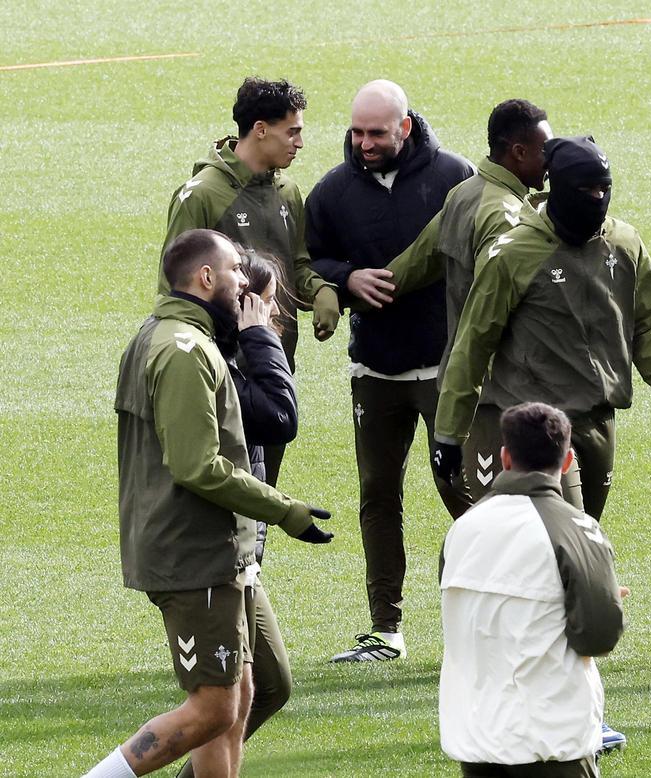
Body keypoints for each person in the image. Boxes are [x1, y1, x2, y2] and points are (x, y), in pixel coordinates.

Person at [85, 229, 333, 778]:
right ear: (205, 278)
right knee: (213, 707)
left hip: (221, 550)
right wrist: (284, 509)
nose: (245, 283)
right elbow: (197, 465)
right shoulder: (182, 350)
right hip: (195, 552)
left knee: (249, 693)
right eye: (236, 274)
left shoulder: (176, 336)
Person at [432, 135, 651, 521]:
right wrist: (449, 435)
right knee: (565, 539)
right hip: (539, 428)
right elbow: (472, 345)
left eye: (604, 188)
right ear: (557, 188)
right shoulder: (513, 253)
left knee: (585, 537)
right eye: (585, 189)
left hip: (599, 423)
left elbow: (647, 326)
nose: (597, 197)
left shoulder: (624, 244)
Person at [304, 79, 474, 663]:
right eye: (356, 131)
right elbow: (308, 258)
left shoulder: (454, 177)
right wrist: (345, 279)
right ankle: (385, 630)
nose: (364, 142)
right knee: (377, 495)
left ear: (405, 126)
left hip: (444, 369)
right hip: (373, 368)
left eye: (377, 132)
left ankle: (483, 619)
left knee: (464, 492)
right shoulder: (332, 190)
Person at [159, 76, 340, 488]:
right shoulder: (201, 196)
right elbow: (173, 288)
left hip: (274, 364)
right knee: (225, 494)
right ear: (261, 129)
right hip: (222, 375)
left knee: (262, 495)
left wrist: (322, 290)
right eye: (292, 131)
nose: (299, 143)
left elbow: (296, 263)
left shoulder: (289, 192)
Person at [372, 98, 554, 499]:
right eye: (546, 150)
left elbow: (417, 261)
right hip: (502, 393)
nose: (551, 161)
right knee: (507, 520)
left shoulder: (463, 194)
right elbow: (490, 320)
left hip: (468, 386)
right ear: (518, 152)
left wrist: (364, 289)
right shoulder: (507, 217)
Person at [439, 402, 624, 778]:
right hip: (550, 739)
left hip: (475, 737)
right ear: (569, 460)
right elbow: (599, 637)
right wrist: (601, 601)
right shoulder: (578, 530)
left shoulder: (461, 531)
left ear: (505, 457)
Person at [173, 250, 299, 778]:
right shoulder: (220, 364)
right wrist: (260, 340)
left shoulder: (233, 358)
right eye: (265, 306)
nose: (273, 318)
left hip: (242, 552)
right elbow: (280, 415)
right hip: (214, 556)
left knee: (264, 687)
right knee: (225, 702)